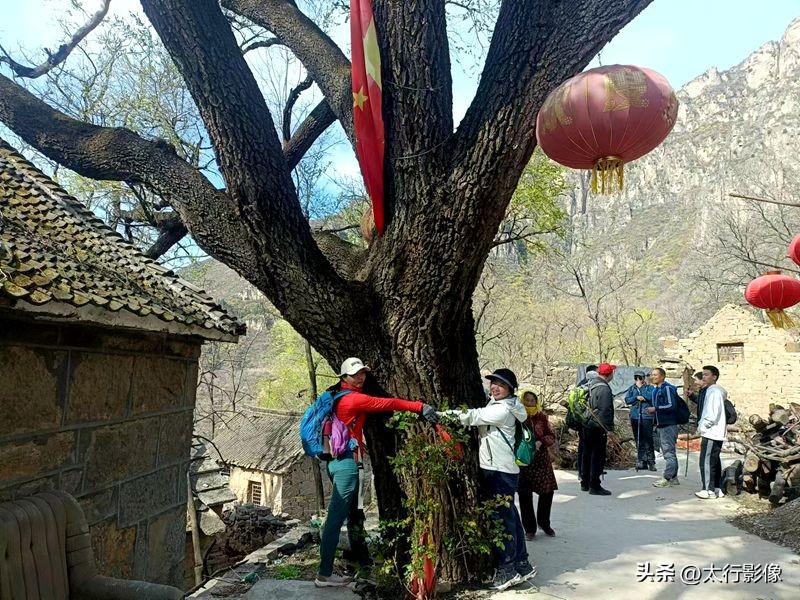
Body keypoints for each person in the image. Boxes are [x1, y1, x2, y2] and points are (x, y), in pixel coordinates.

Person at [316, 357, 438, 588]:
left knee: (355, 517)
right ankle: (324, 574)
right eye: (355, 374)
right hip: (348, 466)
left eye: (362, 373)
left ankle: (365, 565)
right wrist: (420, 407)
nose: (361, 377)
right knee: (334, 520)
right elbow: (388, 403)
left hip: (336, 463)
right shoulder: (353, 400)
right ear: (344, 377)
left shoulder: (334, 395)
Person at [441, 368, 536, 591]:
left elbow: (472, 416)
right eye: (493, 383)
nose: (495, 387)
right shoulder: (511, 406)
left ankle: (507, 569)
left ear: (510, 389)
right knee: (510, 514)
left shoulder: (502, 410)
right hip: (505, 468)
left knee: (501, 519)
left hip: (498, 470)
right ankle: (522, 563)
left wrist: (439, 415)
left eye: (500, 385)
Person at [518, 390, 558, 540]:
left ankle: (544, 523)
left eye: (532, 400)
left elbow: (551, 436)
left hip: (541, 460)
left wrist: (542, 441)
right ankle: (529, 528)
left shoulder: (541, 416)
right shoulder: (518, 416)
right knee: (525, 495)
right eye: (526, 400)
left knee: (547, 492)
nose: (529, 403)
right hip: (524, 461)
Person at [580, 363, 615, 496]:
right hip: (597, 426)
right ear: (609, 374)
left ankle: (585, 482)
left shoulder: (589, 383)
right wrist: (609, 429)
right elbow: (605, 410)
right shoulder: (604, 389)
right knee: (597, 456)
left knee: (586, 453)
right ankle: (595, 485)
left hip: (586, 424)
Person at [695, 365, 728, 499]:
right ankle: (716, 488)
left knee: (706, 460)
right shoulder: (715, 391)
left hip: (711, 432)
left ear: (714, 377)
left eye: (707, 374)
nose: (704, 377)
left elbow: (712, 414)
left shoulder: (714, 392)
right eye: (703, 374)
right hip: (716, 432)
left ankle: (707, 489)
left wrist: (703, 427)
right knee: (714, 460)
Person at [647, 368, 681, 488]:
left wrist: (655, 409)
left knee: (668, 453)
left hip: (668, 424)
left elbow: (671, 405)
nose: (653, 377)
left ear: (662, 376)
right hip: (661, 424)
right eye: (652, 375)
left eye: (656, 375)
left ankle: (667, 478)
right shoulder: (657, 389)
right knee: (669, 451)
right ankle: (674, 477)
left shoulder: (667, 388)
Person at [624, 371, 656, 471]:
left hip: (646, 416)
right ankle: (641, 460)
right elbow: (627, 400)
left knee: (648, 439)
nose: (639, 380)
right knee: (639, 439)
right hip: (635, 416)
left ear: (644, 378)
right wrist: (636, 397)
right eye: (636, 378)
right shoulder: (632, 388)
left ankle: (651, 461)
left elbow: (652, 398)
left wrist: (641, 391)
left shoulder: (649, 388)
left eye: (640, 378)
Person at [575, 364, 598, 482]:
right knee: (588, 449)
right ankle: (587, 473)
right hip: (589, 421)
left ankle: (582, 472)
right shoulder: (591, 385)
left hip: (581, 420)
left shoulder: (580, 384)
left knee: (583, 448)